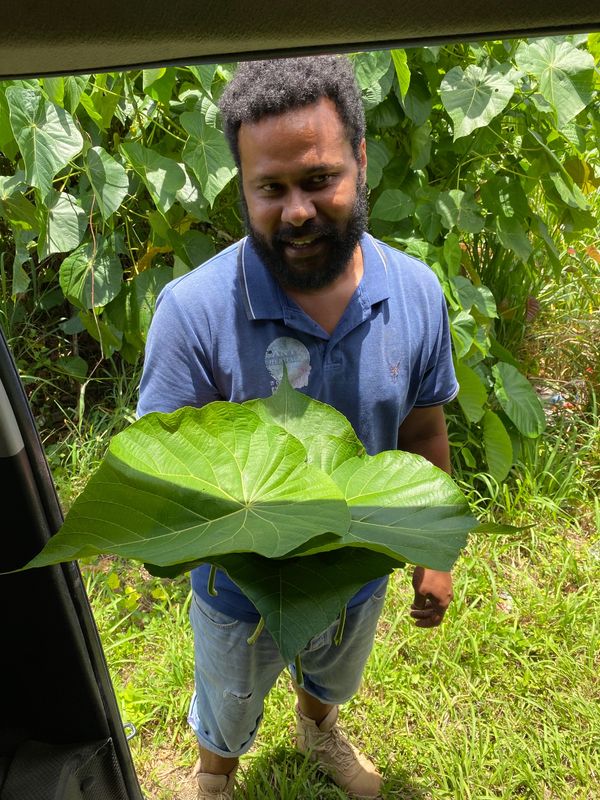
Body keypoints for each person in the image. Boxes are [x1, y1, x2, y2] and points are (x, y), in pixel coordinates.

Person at [137, 55, 459, 800]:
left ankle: (319, 728)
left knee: (336, 670)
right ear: (242, 187)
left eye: (318, 179)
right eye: (270, 189)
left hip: (359, 573)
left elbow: (422, 435)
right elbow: (163, 474)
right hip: (239, 589)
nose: (298, 211)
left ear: (360, 161)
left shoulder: (414, 294)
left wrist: (434, 552)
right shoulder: (193, 314)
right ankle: (214, 773)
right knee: (229, 698)